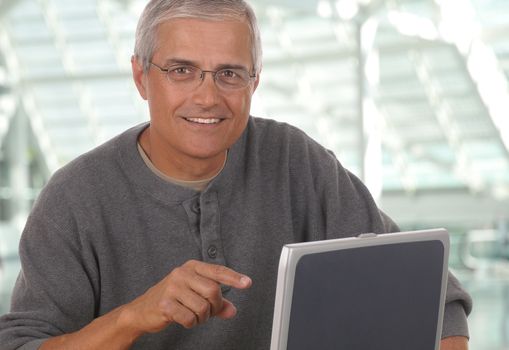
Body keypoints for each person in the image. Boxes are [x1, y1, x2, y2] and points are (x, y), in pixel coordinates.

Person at [0, 0, 472, 349]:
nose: (208, 97)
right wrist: (134, 318)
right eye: (182, 70)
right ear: (142, 77)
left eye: (229, 74)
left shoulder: (295, 160)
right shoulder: (74, 199)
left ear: (255, 82)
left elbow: (433, 295)